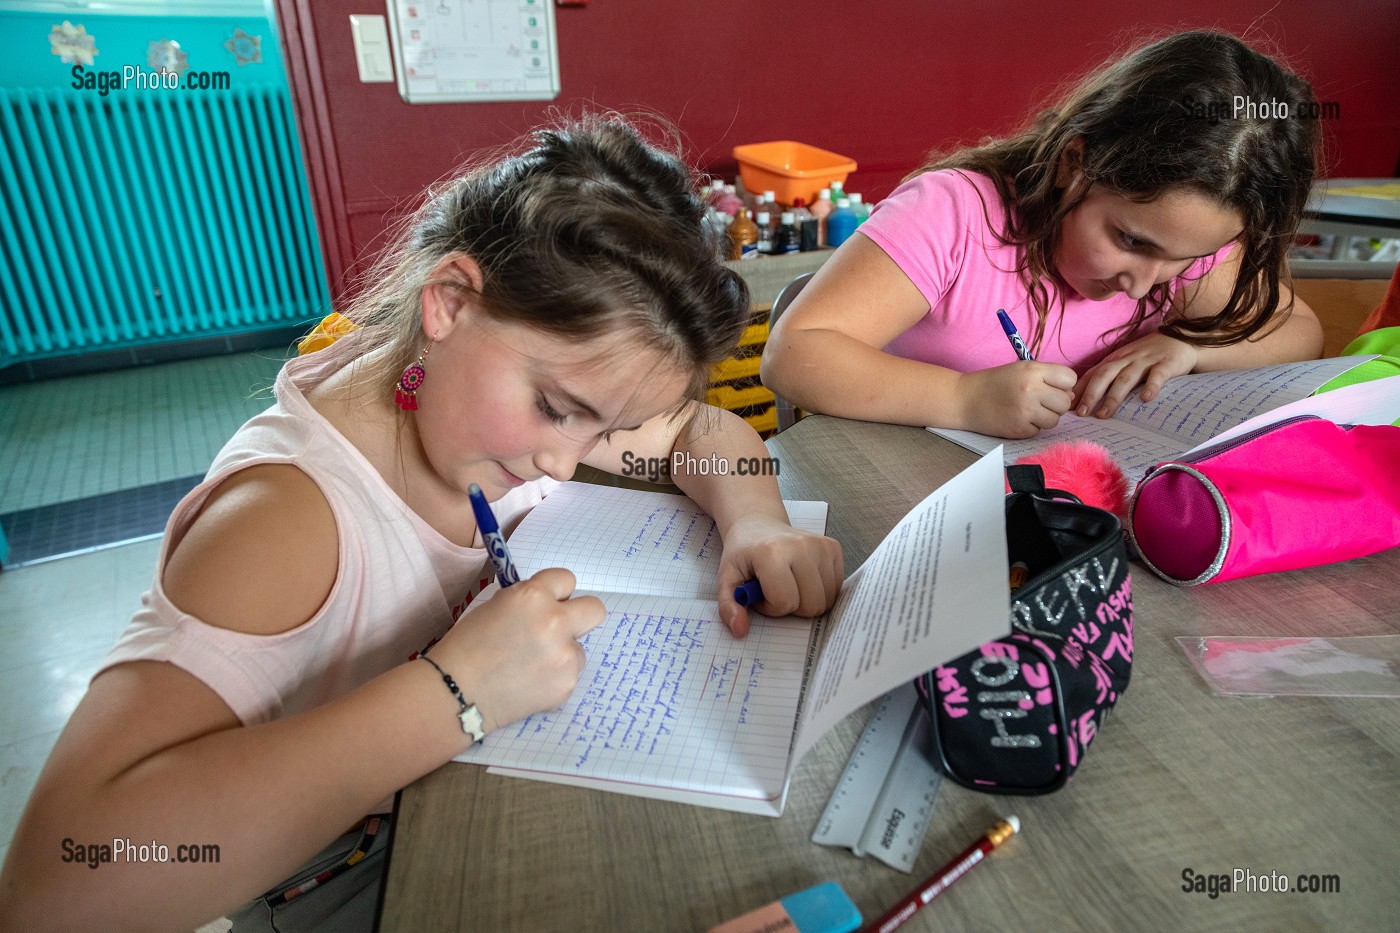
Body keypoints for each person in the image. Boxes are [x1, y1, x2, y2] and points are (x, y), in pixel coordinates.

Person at [0, 114, 843, 932]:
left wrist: (755, 520)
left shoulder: (494, 406)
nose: (566, 460)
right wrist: (454, 692)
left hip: (497, 788)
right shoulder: (287, 519)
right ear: (448, 302)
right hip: (334, 871)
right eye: (555, 409)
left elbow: (701, 432)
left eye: (605, 433)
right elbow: (57, 887)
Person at [762, 30, 1324, 439]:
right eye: (1131, 241)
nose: (1144, 284)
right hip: (898, 485)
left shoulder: (1186, 245)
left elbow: (1299, 332)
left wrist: (1190, 347)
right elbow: (794, 353)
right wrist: (964, 398)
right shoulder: (956, 214)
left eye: (1187, 258)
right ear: (1073, 164)